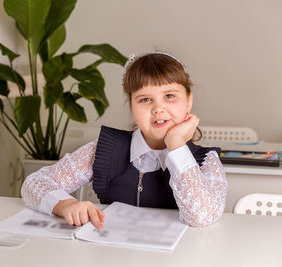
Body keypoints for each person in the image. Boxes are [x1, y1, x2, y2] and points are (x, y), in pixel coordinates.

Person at [21, 52, 228, 230]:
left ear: (189, 101)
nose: (158, 108)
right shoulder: (104, 150)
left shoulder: (205, 161)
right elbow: (34, 182)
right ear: (131, 105)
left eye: (170, 96)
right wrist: (65, 205)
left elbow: (203, 217)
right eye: (145, 99)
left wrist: (176, 144)